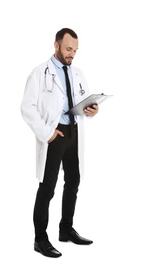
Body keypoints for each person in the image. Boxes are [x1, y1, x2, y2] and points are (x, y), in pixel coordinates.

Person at [21, 28, 99, 258]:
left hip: (74, 132)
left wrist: (91, 109)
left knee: (73, 181)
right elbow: (27, 107)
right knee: (47, 188)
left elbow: (83, 99)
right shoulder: (39, 73)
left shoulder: (77, 73)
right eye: (68, 49)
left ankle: (65, 229)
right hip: (55, 135)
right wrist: (47, 133)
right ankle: (40, 239)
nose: (71, 54)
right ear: (56, 45)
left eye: (75, 50)